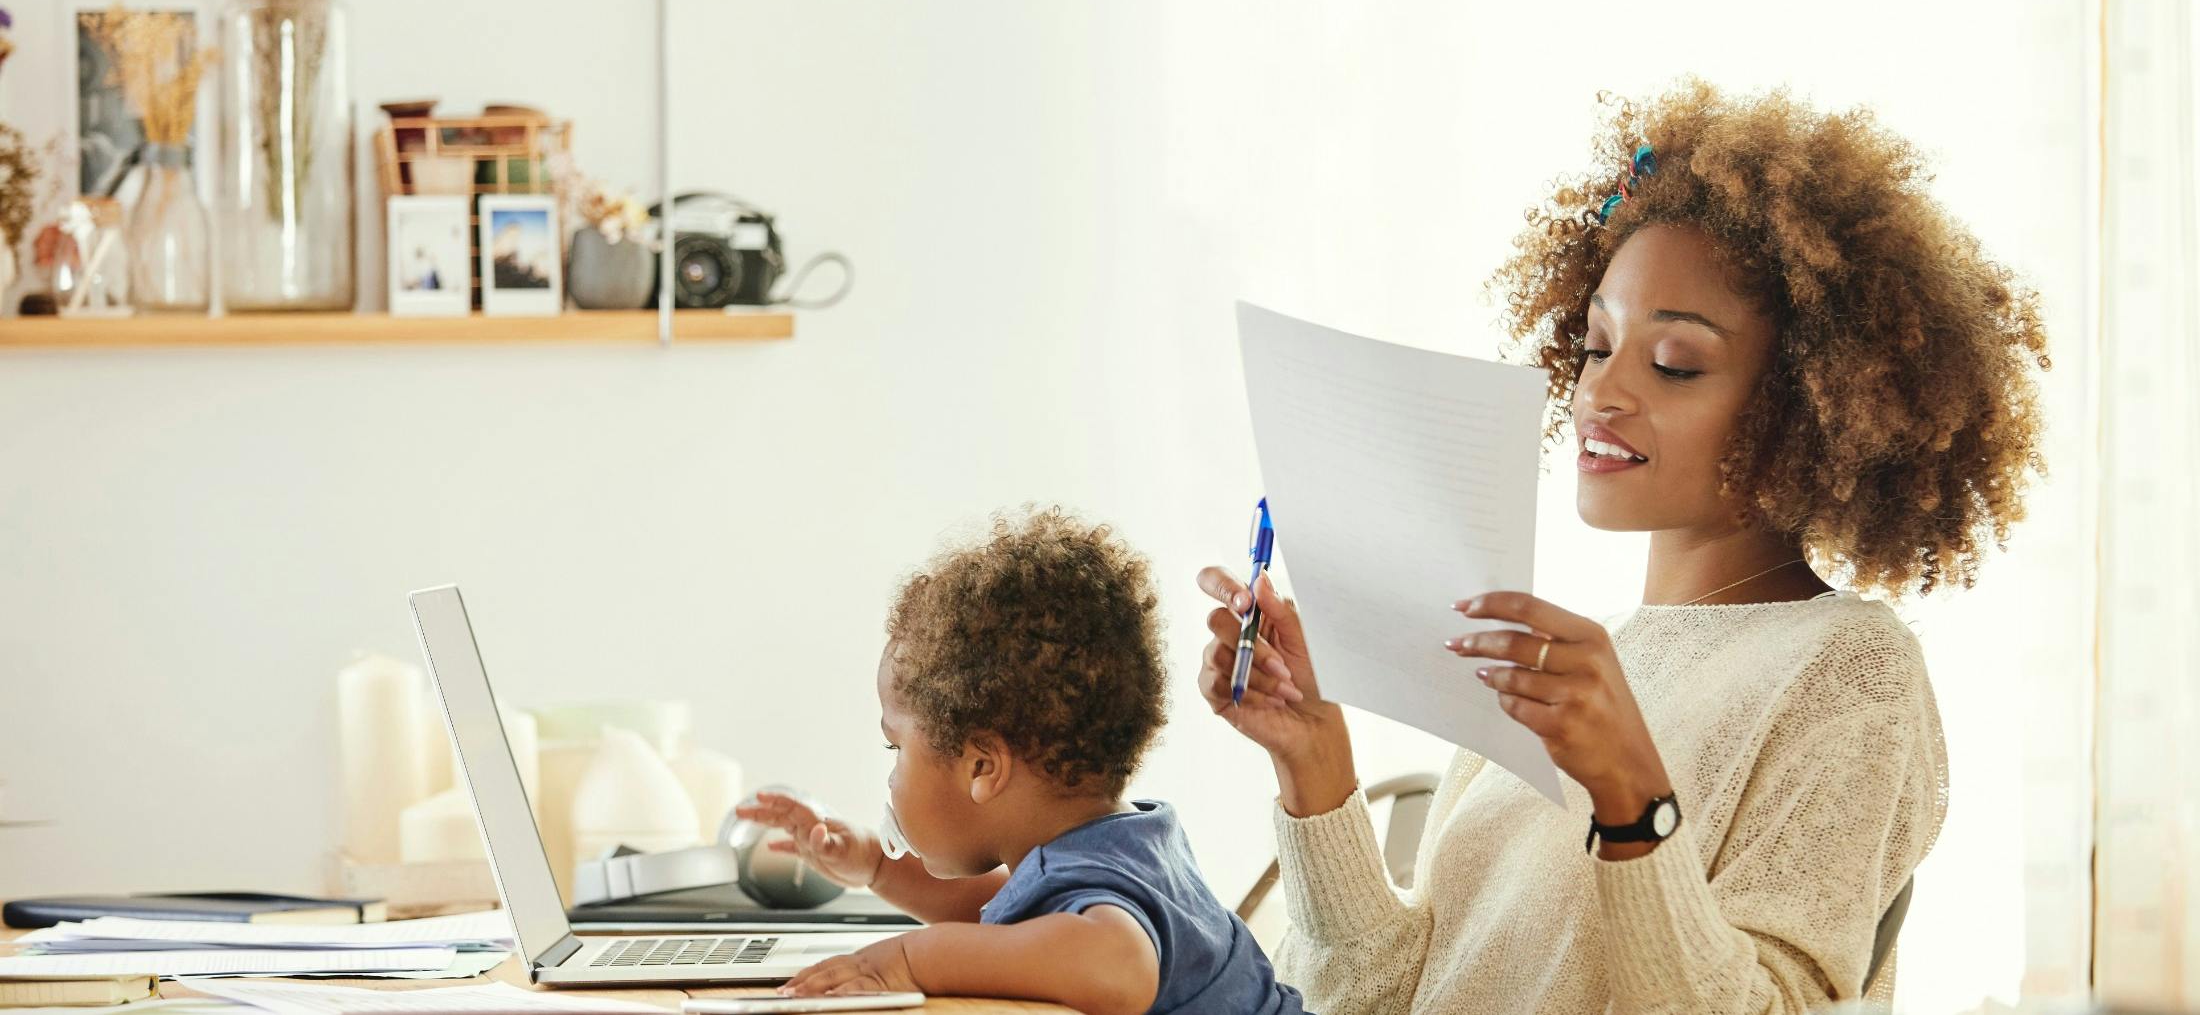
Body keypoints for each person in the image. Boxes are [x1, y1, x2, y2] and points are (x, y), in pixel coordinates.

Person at [1201, 81, 2049, 1013]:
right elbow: (1388, 994)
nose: (1600, 393)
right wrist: (1316, 763)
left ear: (1800, 409)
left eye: (1675, 362)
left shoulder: (1850, 671)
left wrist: (1630, 794)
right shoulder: (1572, 671)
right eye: (1598, 345)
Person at [745, 505, 1308, 1014]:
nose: (893, 775)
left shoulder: (1094, 885)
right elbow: (1005, 917)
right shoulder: (1123, 843)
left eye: (897, 747)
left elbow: (1118, 966)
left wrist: (906, 961)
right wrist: (876, 865)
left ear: (983, 767)